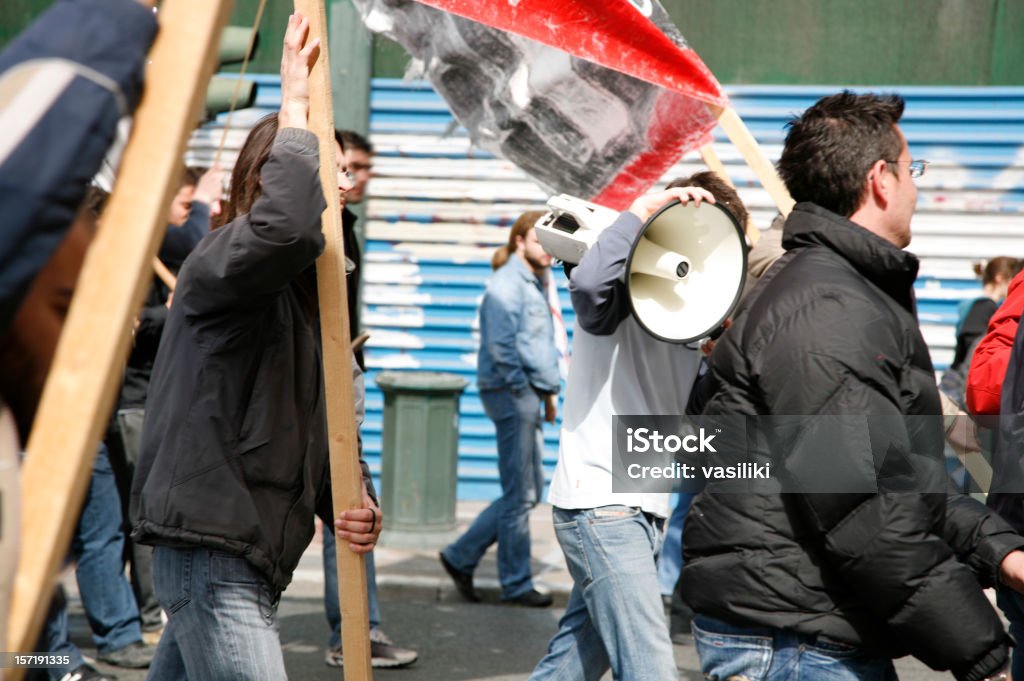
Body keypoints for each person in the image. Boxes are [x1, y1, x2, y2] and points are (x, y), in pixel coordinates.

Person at [683, 91, 1024, 681]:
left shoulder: (841, 288)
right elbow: (866, 508)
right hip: (794, 643)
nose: (916, 187)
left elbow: (903, 477)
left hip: (810, 626)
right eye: (912, 169)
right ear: (881, 180)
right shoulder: (827, 306)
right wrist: (982, 649)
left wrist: (1002, 550)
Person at [130, 13, 381, 680]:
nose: (346, 189)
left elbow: (297, 424)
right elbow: (287, 227)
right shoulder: (222, 263)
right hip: (215, 552)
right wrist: (296, 107)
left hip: (239, 552)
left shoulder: (299, 304)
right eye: (331, 171)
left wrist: (349, 502)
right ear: (277, 176)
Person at [527, 180, 723, 680]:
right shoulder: (614, 289)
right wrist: (638, 212)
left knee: (570, 668)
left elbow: (688, 413)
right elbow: (590, 291)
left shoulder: (692, 308)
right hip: (603, 505)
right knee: (651, 670)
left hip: (643, 509)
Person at [320, 130, 417, 669]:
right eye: (344, 166)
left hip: (338, 379)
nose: (352, 180)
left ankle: (359, 632)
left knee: (354, 512)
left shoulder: (346, 226)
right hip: (315, 390)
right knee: (352, 512)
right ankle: (355, 634)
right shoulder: (314, 227)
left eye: (359, 169)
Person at [440, 210, 560, 608]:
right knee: (520, 493)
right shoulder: (507, 285)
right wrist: (526, 391)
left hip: (528, 392)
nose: (546, 247)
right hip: (513, 394)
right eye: (538, 239)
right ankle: (515, 583)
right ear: (519, 241)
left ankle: (461, 555)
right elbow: (502, 348)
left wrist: (545, 392)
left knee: (526, 491)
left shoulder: (537, 281)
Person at [939, 257, 1022, 408]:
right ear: (1000, 278)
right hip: (962, 383)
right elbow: (975, 350)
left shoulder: (971, 304)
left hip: (956, 377)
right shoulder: (985, 307)